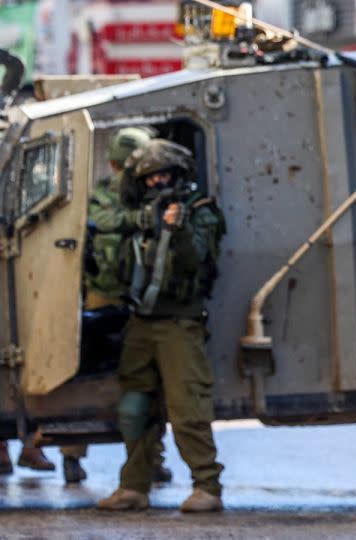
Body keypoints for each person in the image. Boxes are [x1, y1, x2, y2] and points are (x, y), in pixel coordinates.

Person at [97, 139, 226, 512]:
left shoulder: (200, 211)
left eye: (165, 175)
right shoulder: (138, 215)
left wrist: (180, 229)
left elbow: (196, 262)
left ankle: (207, 485)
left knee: (188, 408)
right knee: (134, 408)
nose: (159, 183)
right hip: (141, 323)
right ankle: (134, 486)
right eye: (151, 177)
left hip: (179, 325)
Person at [64, 126, 174, 485]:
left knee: (142, 381)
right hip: (107, 293)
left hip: (135, 297)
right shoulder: (103, 197)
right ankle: (74, 454)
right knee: (92, 375)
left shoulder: (149, 195)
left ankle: (148, 458)